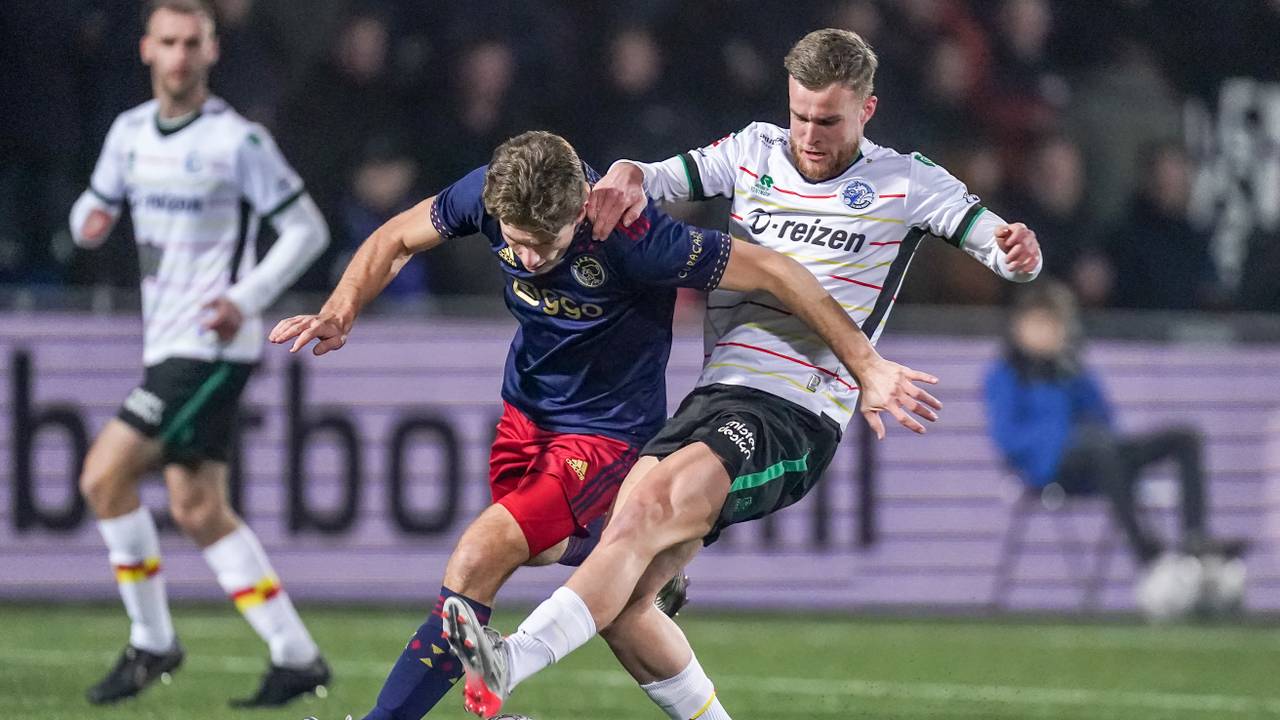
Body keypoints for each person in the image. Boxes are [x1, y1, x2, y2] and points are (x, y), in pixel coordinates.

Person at [442, 28, 1041, 719]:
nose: (810, 136)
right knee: (627, 601)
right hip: (715, 398)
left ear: (866, 111)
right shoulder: (754, 150)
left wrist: (1015, 254)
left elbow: (992, 241)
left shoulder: (905, 182)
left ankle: (511, 659)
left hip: (794, 410)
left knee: (640, 516)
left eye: (829, 121)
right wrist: (630, 172)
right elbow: (654, 176)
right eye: (801, 116)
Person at [271, 129, 937, 720]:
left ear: (579, 214)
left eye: (544, 244)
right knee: (544, 560)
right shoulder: (489, 193)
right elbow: (394, 237)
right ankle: (631, 555)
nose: (527, 258)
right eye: (513, 241)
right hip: (525, 414)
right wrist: (341, 309)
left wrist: (865, 364)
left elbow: (777, 272)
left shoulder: (636, 239)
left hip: (606, 437)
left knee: (478, 557)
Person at [68, 0, 331, 707]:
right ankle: (296, 654)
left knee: (102, 476)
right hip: (166, 341)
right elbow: (90, 213)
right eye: (169, 42)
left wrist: (246, 299)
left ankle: (152, 641)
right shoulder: (128, 134)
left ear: (212, 51)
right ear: (147, 50)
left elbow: (307, 229)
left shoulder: (236, 142)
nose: (180, 55)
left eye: (193, 43)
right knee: (197, 505)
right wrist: (88, 223)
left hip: (212, 346)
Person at [984, 280, 1237, 567]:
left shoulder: (1071, 371)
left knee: (1185, 437)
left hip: (1101, 458)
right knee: (1104, 451)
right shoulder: (1006, 375)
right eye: (1040, 324)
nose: (1048, 333)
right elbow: (1007, 438)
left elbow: (1104, 419)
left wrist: (1071, 375)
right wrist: (1061, 441)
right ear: (1019, 327)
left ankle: (1195, 537)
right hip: (1050, 467)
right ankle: (1147, 552)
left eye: (1055, 325)